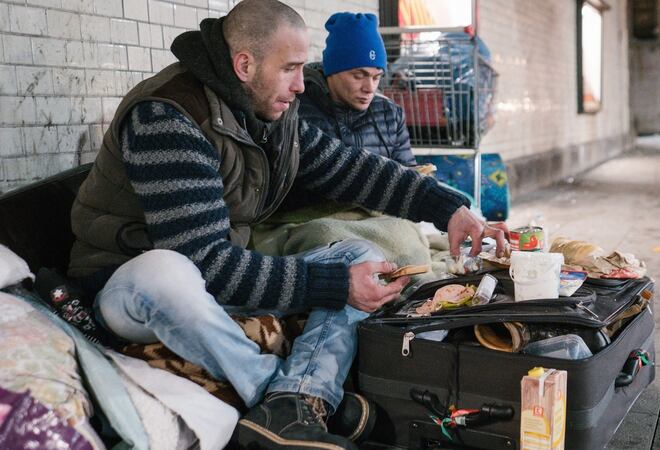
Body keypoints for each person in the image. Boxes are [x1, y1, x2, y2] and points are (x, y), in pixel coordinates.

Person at [66, 1, 506, 449]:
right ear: (244, 64)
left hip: (210, 276)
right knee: (166, 271)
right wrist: (333, 284)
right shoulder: (169, 117)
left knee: (363, 256)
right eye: (291, 68)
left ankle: (299, 398)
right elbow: (205, 266)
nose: (301, 85)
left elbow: (354, 169)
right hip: (129, 286)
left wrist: (450, 208)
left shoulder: (270, 112)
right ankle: (278, 395)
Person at [298, 12, 414, 166]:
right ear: (332, 71)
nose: (370, 88)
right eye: (359, 76)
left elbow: (409, 176)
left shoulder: (390, 115)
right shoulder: (295, 109)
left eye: (376, 77)